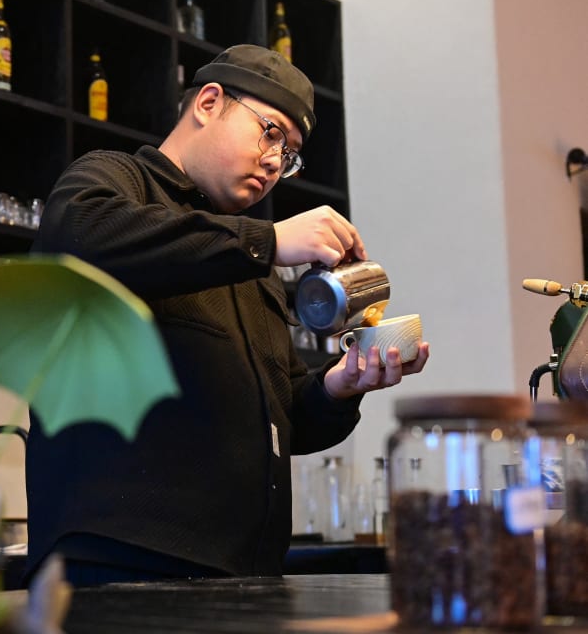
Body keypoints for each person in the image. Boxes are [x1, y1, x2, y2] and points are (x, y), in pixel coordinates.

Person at [24, 44, 430, 587]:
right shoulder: (113, 180)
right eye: (270, 133)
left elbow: (285, 418)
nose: (274, 162)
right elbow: (80, 237)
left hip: (246, 573)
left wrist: (339, 387)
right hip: (117, 568)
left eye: (288, 155)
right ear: (210, 103)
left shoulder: (254, 263)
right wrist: (268, 239)